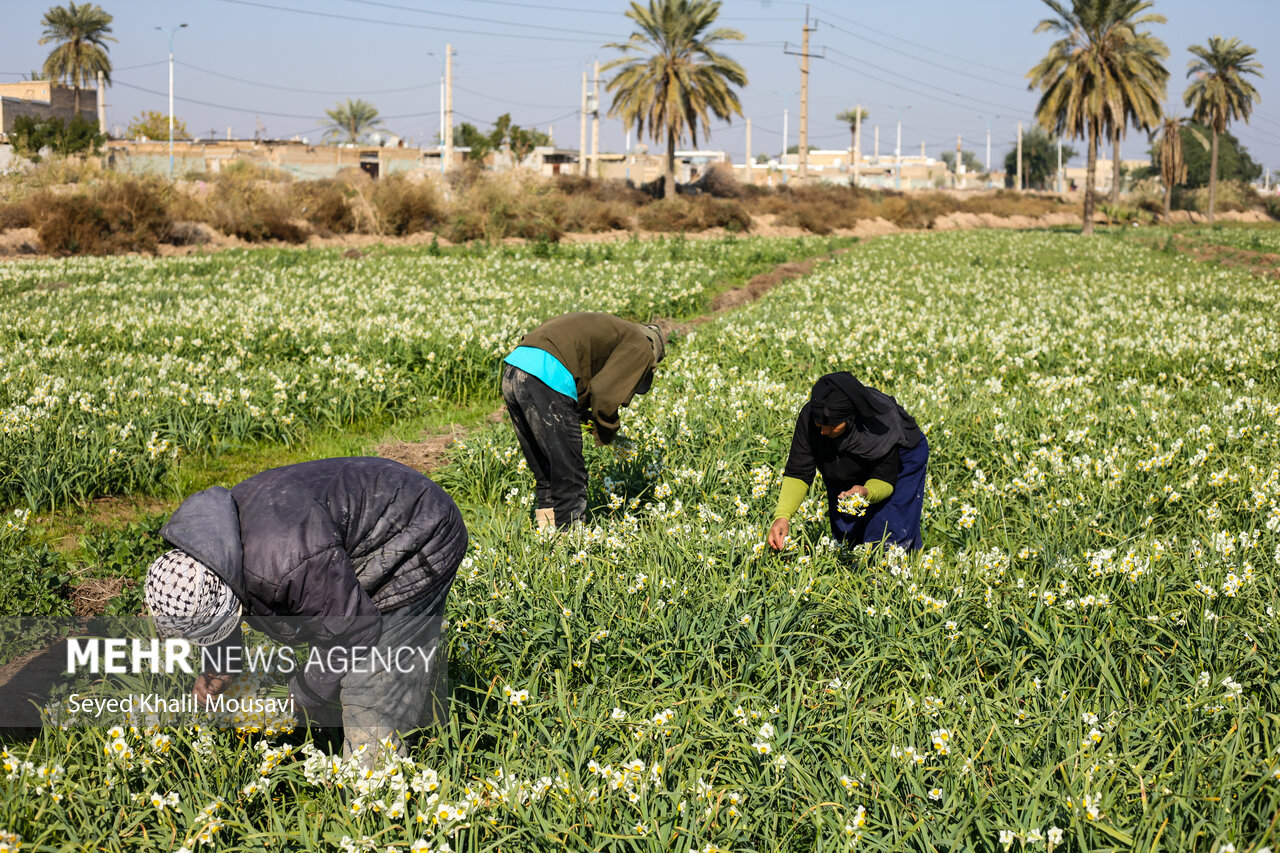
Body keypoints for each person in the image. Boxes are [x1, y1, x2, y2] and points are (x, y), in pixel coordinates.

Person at [144, 456, 468, 764]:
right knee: (333, 656)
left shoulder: (282, 562)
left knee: (369, 685)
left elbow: (354, 631)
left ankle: (373, 796)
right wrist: (221, 664)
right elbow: (224, 604)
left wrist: (299, 697)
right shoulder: (210, 551)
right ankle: (331, 743)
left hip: (418, 532)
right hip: (359, 525)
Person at [501, 312, 666, 530]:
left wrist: (585, 417)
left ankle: (546, 545)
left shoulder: (613, 329)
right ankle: (570, 547)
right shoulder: (641, 345)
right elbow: (604, 395)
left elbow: (582, 382)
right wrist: (607, 432)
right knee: (569, 475)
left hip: (515, 370)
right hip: (547, 373)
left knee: (548, 473)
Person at [768, 373, 928, 552]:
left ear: (850, 419)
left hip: (900, 461)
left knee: (885, 536)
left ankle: (891, 567)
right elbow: (799, 471)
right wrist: (782, 516)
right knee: (847, 537)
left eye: (831, 425)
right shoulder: (813, 419)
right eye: (819, 424)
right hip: (842, 461)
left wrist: (866, 492)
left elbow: (885, 478)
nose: (823, 431)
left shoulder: (880, 429)